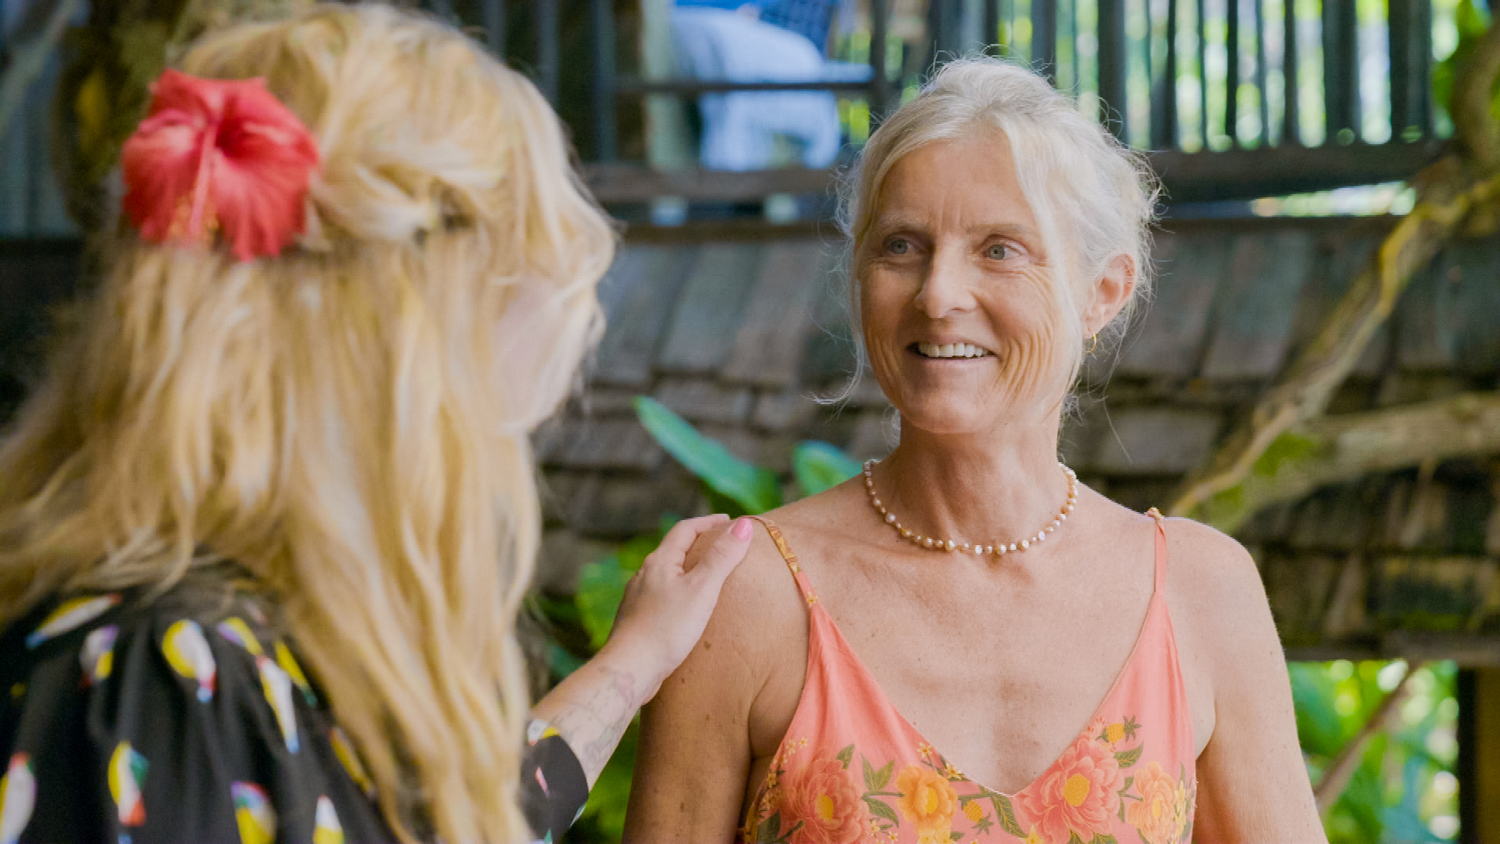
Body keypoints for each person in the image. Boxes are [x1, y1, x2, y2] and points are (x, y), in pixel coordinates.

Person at [0, 5, 750, 843]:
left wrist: (635, 661)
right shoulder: (161, 689)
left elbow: (478, 817)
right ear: (401, 368)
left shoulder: (255, 653)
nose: (488, 470)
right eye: (484, 424)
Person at [625, 58, 1327, 843]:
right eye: (901, 246)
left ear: (1102, 292)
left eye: (1000, 249)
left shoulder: (1201, 591)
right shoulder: (746, 594)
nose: (937, 294)